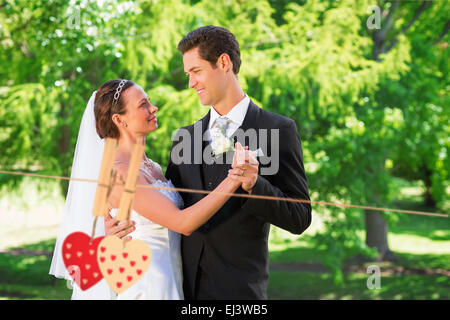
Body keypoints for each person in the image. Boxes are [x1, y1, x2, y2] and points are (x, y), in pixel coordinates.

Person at [49, 79, 246, 300]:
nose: (153, 108)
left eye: (149, 102)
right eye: (143, 104)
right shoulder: (121, 174)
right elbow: (182, 223)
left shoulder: (152, 167)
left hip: (172, 280)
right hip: (147, 286)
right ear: (119, 119)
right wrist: (233, 179)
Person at [165, 25, 312, 299]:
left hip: (240, 294)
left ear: (223, 63)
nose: (190, 83)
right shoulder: (184, 137)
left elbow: (300, 218)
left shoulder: (278, 130)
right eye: (188, 74)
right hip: (182, 291)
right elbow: (169, 207)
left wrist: (255, 185)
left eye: (196, 72)